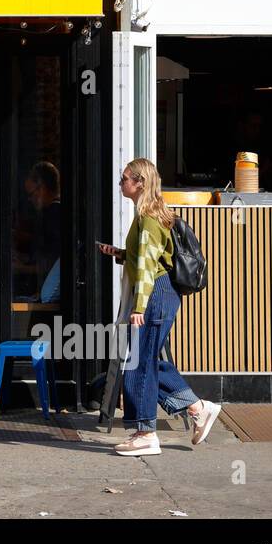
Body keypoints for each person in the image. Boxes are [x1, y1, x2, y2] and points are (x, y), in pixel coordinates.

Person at [99, 159, 222, 456]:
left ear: (139, 182)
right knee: (149, 360)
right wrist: (119, 253)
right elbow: (143, 257)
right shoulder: (148, 215)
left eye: (125, 178)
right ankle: (197, 408)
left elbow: (147, 267)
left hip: (155, 294)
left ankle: (145, 433)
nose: (120, 183)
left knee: (139, 362)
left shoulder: (149, 218)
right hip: (160, 293)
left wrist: (139, 307)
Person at [22, 161, 62, 303]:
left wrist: (20, 267)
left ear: (43, 189)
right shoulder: (56, 213)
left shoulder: (53, 215)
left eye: (31, 194)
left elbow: (50, 263)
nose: (30, 199)